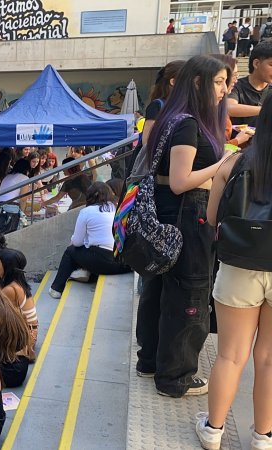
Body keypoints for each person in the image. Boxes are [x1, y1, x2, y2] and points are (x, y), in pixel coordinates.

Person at [136, 55, 233, 398]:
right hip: (186, 215)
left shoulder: (170, 117)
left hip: (168, 215)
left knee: (159, 289)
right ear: (198, 83)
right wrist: (224, 162)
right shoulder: (188, 124)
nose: (225, 89)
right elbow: (180, 181)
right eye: (219, 82)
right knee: (188, 293)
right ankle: (176, 376)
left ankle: (150, 361)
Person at [195, 95, 272, 450]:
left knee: (230, 354)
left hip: (240, 265)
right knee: (269, 358)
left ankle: (213, 431)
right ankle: (263, 437)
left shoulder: (235, 162)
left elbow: (213, 220)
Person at [49, 182, 131, 298]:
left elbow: (77, 242)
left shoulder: (87, 212)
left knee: (71, 251)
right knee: (89, 246)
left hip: (102, 262)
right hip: (123, 263)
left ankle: (56, 288)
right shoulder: (119, 207)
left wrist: (73, 241)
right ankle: (84, 272)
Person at [0, 248, 39, 362]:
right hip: (30, 332)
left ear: (7, 268)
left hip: (25, 338)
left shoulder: (10, 290)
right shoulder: (18, 283)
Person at [228, 41, 272, 128]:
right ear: (256, 63)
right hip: (238, 140)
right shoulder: (236, 86)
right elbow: (229, 107)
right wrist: (265, 110)